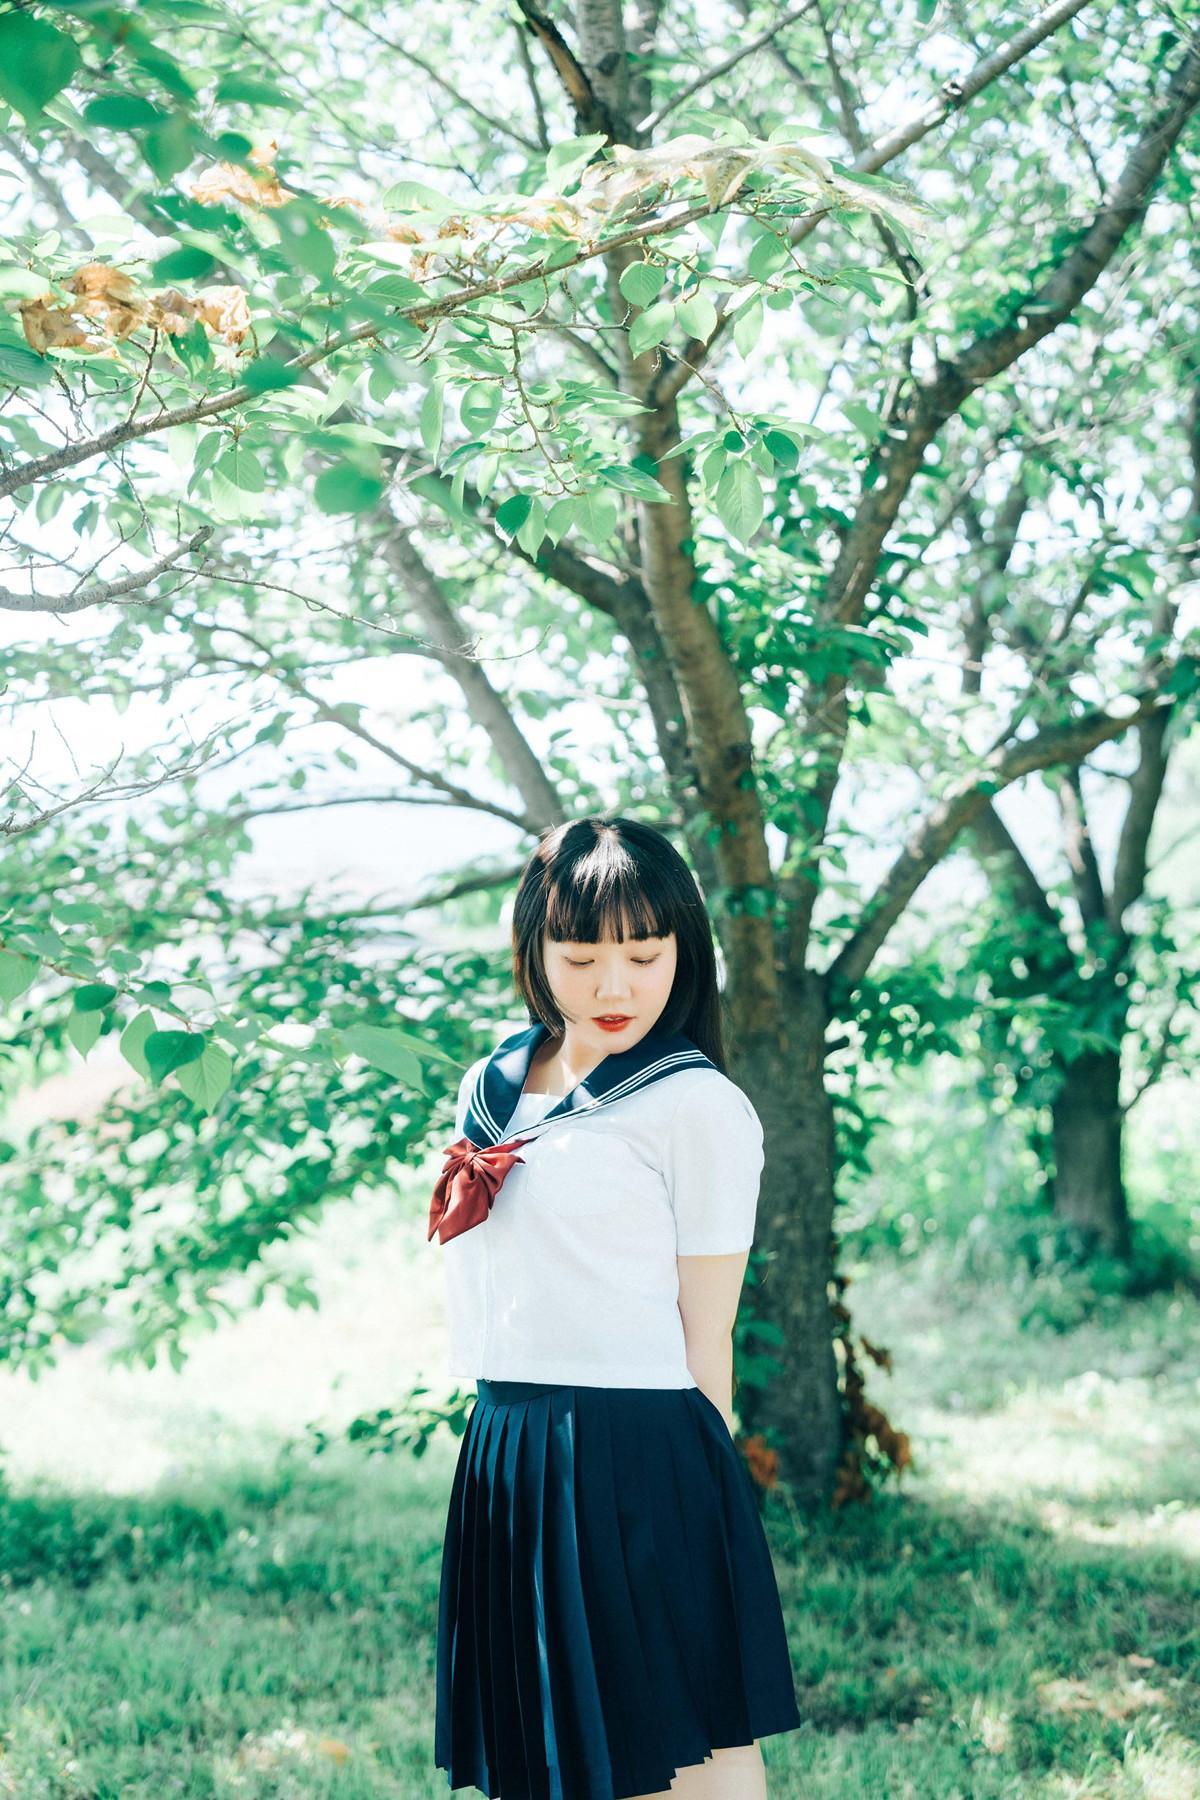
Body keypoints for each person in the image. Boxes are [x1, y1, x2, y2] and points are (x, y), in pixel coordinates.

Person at [429, 815, 803, 1799]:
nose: (613, 986)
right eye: (581, 954)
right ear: (534, 950)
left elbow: (706, 1324)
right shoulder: (495, 1086)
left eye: (644, 954)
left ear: (683, 953)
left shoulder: (697, 1107)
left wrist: (705, 1498)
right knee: (548, 1746)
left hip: (638, 1443)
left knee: (683, 1739)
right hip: (509, 1438)